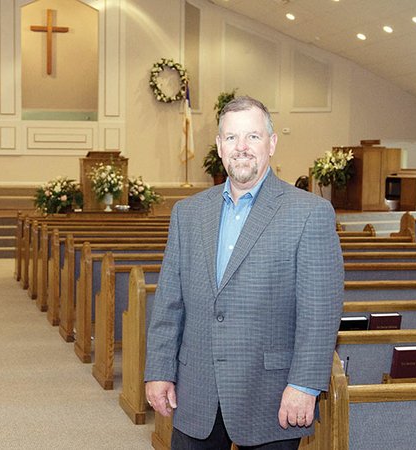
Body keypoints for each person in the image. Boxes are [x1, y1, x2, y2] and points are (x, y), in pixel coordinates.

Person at [144, 95, 344, 449]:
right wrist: (159, 370)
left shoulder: (309, 213)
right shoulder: (188, 214)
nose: (242, 148)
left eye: (252, 136)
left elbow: (319, 311)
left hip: (270, 392)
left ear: (272, 143)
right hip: (197, 389)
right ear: (220, 146)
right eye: (231, 138)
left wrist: (304, 386)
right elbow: (169, 303)